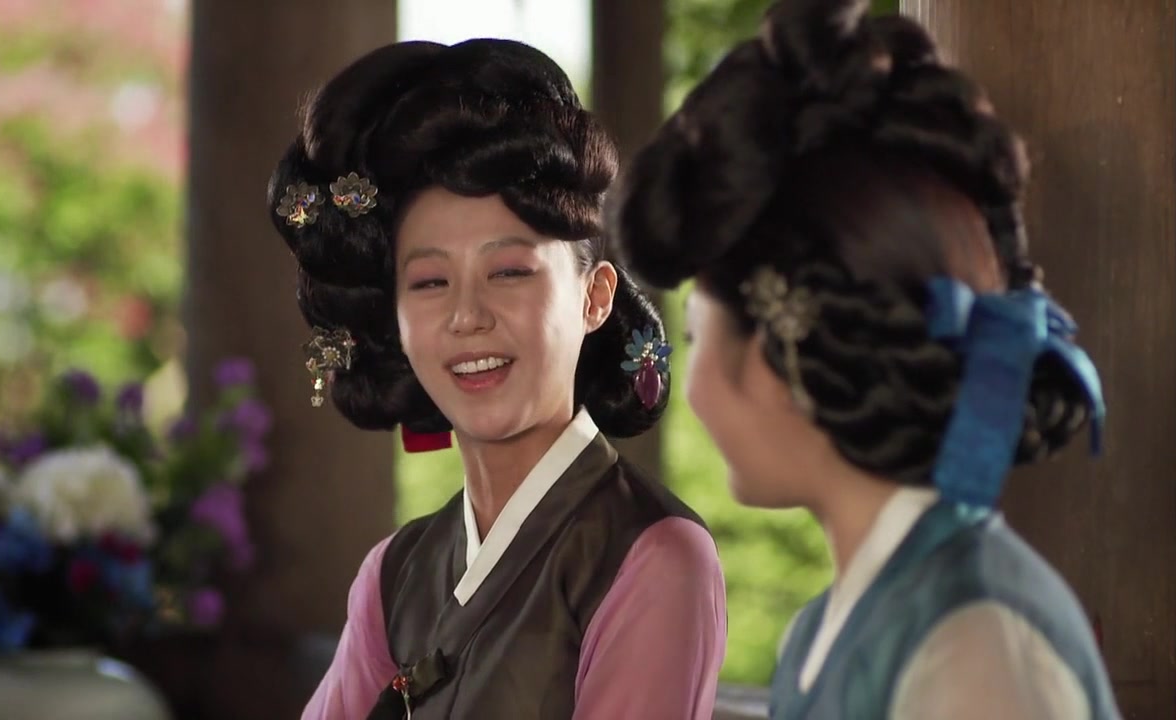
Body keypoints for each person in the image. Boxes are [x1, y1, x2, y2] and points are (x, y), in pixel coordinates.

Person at [608, 0, 1118, 717]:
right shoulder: (827, 627)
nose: (690, 391)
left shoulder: (975, 645)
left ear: (779, 347)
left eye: (695, 335)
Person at [267, 38, 726, 720]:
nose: (467, 317)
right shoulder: (394, 575)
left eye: (509, 271)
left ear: (595, 296)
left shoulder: (654, 557)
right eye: (429, 281)